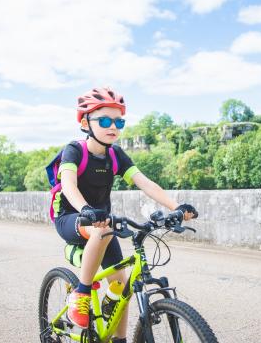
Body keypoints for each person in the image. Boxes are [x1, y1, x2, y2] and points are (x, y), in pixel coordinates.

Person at [54, 87, 198, 342]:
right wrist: (85, 209)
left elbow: (146, 183)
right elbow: (68, 185)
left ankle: (118, 339)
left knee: (122, 288)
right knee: (102, 229)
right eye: (106, 121)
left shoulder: (115, 154)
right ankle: (81, 292)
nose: (114, 127)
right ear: (85, 122)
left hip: (102, 223)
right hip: (70, 217)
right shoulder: (74, 150)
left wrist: (176, 207)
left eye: (119, 121)